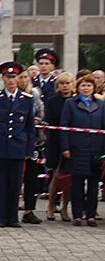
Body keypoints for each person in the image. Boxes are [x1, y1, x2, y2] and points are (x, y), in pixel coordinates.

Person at [0, 62, 36, 228]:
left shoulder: (26, 99)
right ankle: (1, 217)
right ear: (3, 78)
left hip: (18, 147)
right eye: (8, 77)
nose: (11, 80)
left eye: (14, 77)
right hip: (0, 146)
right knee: (1, 183)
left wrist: (29, 149)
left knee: (16, 183)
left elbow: (30, 128)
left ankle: (13, 217)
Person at [59, 73, 105, 227]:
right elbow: (64, 126)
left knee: (93, 184)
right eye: (83, 85)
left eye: (89, 85)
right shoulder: (70, 103)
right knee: (77, 184)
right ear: (78, 88)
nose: (86, 88)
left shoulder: (101, 105)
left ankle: (91, 214)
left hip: (96, 149)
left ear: (94, 87)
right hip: (77, 148)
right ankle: (77, 215)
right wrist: (65, 147)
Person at [44, 74, 74, 221]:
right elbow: (49, 121)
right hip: (55, 142)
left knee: (69, 178)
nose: (65, 86)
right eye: (62, 83)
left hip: (73, 142)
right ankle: (51, 206)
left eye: (68, 83)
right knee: (56, 176)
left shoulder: (76, 101)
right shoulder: (52, 101)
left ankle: (64, 208)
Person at [17, 69, 44, 223]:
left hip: (33, 142)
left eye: (26, 77)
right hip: (15, 142)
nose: (23, 80)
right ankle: (10, 207)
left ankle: (29, 210)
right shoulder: (11, 96)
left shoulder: (34, 94)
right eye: (21, 77)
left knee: (31, 178)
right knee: (14, 177)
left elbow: (41, 112)